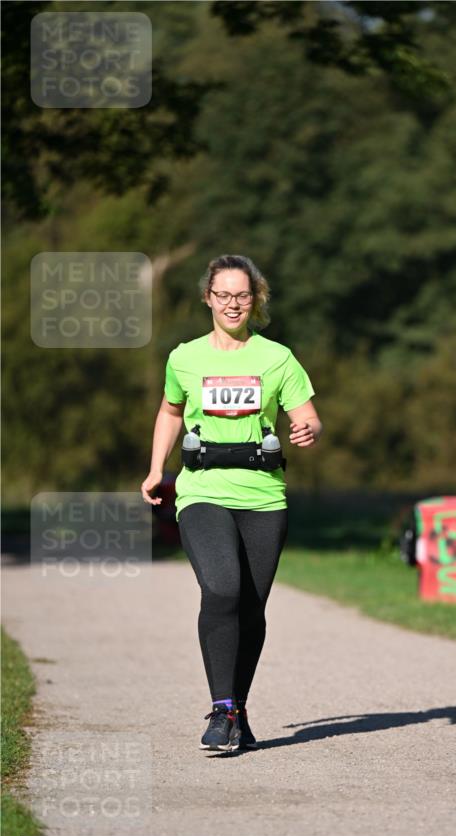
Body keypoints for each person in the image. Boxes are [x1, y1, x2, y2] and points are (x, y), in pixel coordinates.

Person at [141, 254, 322, 754]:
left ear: (255, 298)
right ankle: (221, 710)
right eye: (223, 295)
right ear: (208, 298)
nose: (233, 304)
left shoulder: (277, 358)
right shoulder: (185, 358)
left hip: (263, 496)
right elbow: (170, 411)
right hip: (202, 490)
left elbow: (307, 415)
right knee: (222, 588)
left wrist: (309, 429)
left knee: (250, 609)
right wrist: (156, 469)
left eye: (242, 295)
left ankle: (237, 710)